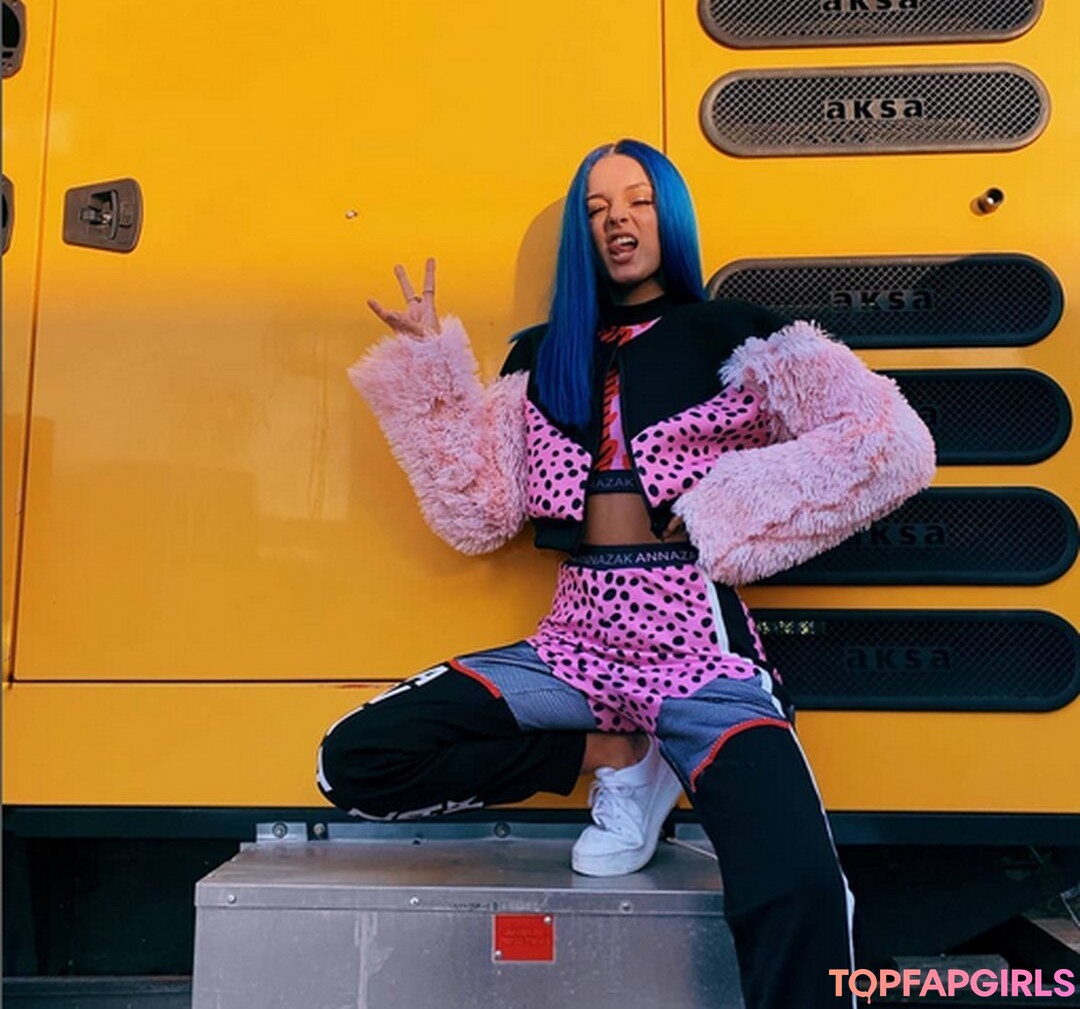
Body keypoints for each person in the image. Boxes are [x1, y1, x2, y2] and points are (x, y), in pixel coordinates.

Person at [317, 139, 936, 1008]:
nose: (619, 222)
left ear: (669, 214)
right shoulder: (541, 353)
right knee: (353, 760)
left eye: (639, 201)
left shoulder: (740, 332)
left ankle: (661, 758)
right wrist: (431, 373)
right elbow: (481, 513)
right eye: (598, 208)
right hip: (573, 643)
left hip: (697, 648)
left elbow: (891, 443)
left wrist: (727, 500)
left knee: (796, 883)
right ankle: (618, 752)